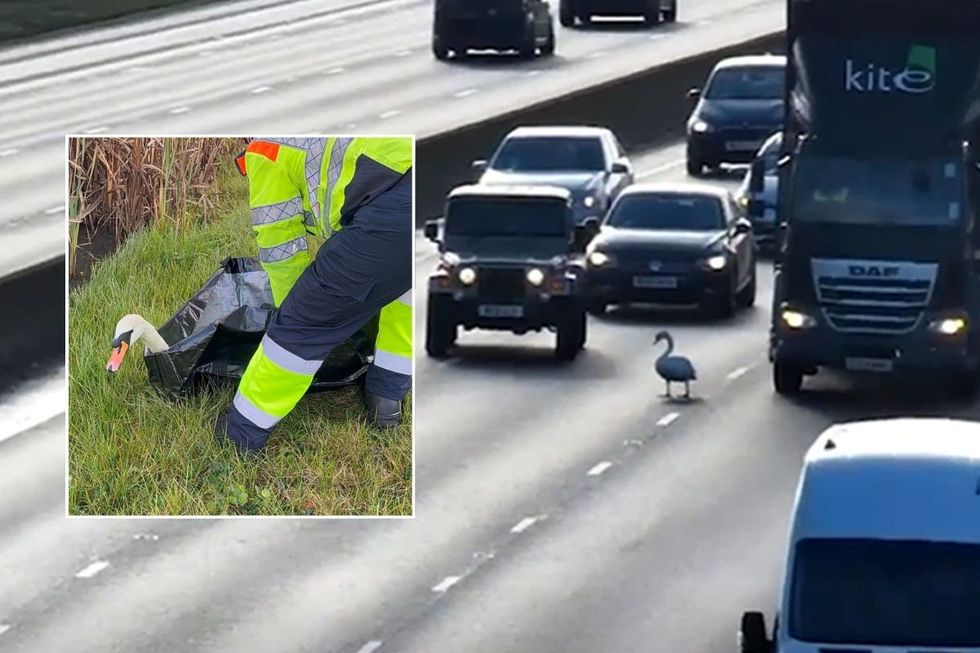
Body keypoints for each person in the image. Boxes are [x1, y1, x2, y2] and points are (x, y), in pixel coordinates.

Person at [215, 136, 413, 453]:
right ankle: (386, 399)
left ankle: (239, 435)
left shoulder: (267, 149)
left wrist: (290, 314)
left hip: (392, 216)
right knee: (404, 294)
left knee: (304, 324)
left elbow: (281, 253)